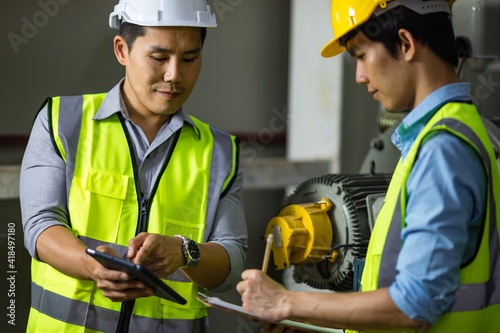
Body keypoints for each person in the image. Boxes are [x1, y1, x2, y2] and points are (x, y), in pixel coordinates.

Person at [237, 0, 500, 332]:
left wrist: (285, 302)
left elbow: (412, 308)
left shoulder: (442, 149)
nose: (360, 76)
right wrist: (305, 319)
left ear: (405, 43)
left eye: (361, 55)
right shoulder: (448, 132)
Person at [20, 0, 248, 332]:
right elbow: (40, 226)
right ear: (122, 50)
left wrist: (186, 252)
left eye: (189, 59)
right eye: (159, 58)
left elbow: (233, 259)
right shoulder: (62, 122)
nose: (174, 75)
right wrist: (92, 266)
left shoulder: (220, 153)